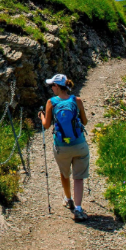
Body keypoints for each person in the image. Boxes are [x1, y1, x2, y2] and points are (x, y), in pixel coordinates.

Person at [38, 73, 90, 221]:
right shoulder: (77, 100)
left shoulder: (51, 102)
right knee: (78, 177)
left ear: (57, 86)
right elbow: (84, 122)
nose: (51, 88)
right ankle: (78, 209)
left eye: (52, 85)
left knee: (64, 173)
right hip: (79, 144)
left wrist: (41, 116)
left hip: (62, 146)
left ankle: (68, 199)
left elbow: (46, 125)